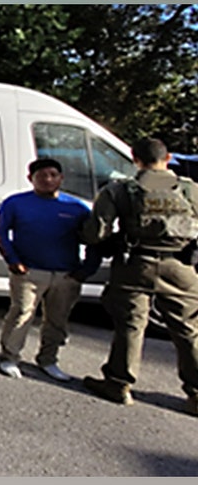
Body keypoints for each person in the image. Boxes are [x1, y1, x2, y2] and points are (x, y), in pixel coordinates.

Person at [81, 138, 198, 413]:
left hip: (135, 264)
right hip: (182, 267)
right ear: (167, 157)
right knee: (188, 330)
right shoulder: (190, 189)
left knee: (131, 325)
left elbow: (97, 232)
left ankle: (119, 384)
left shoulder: (120, 189)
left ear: (135, 159)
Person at [0, 158, 99, 381]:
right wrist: (12, 260)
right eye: (42, 175)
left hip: (65, 274)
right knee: (21, 314)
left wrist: (85, 270)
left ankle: (48, 359)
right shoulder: (16, 203)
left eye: (53, 175)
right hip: (28, 272)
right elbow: (0, 232)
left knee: (57, 320)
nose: (48, 180)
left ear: (61, 178)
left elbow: (94, 239)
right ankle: (9, 357)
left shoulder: (76, 208)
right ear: (31, 179)